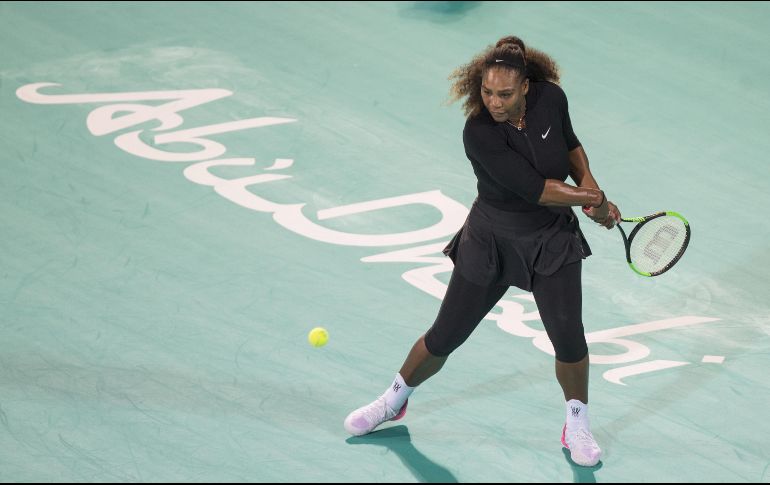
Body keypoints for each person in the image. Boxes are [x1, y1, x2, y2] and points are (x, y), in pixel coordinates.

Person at [343, 35, 620, 468]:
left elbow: (570, 146)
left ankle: (577, 424)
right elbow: (539, 190)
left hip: (550, 241)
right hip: (492, 237)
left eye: (505, 93)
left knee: (569, 338)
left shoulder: (552, 99)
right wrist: (594, 202)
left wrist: (591, 190)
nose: (494, 101)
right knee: (445, 335)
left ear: (526, 86)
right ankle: (392, 401)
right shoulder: (478, 133)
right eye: (488, 92)